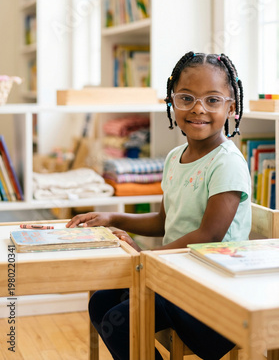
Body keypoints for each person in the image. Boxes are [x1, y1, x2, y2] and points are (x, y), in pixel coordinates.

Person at [66, 51, 251, 360]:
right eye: (186, 98)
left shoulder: (227, 163)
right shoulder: (175, 158)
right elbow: (164, 221)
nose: (198, 109)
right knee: (100, 303)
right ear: (171, 102)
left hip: (212, 297)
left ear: (231, 107)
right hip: (174, 277)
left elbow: (209, 236)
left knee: (119, 322)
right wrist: (113, 217)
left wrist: (145, 257)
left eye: (213, 100)